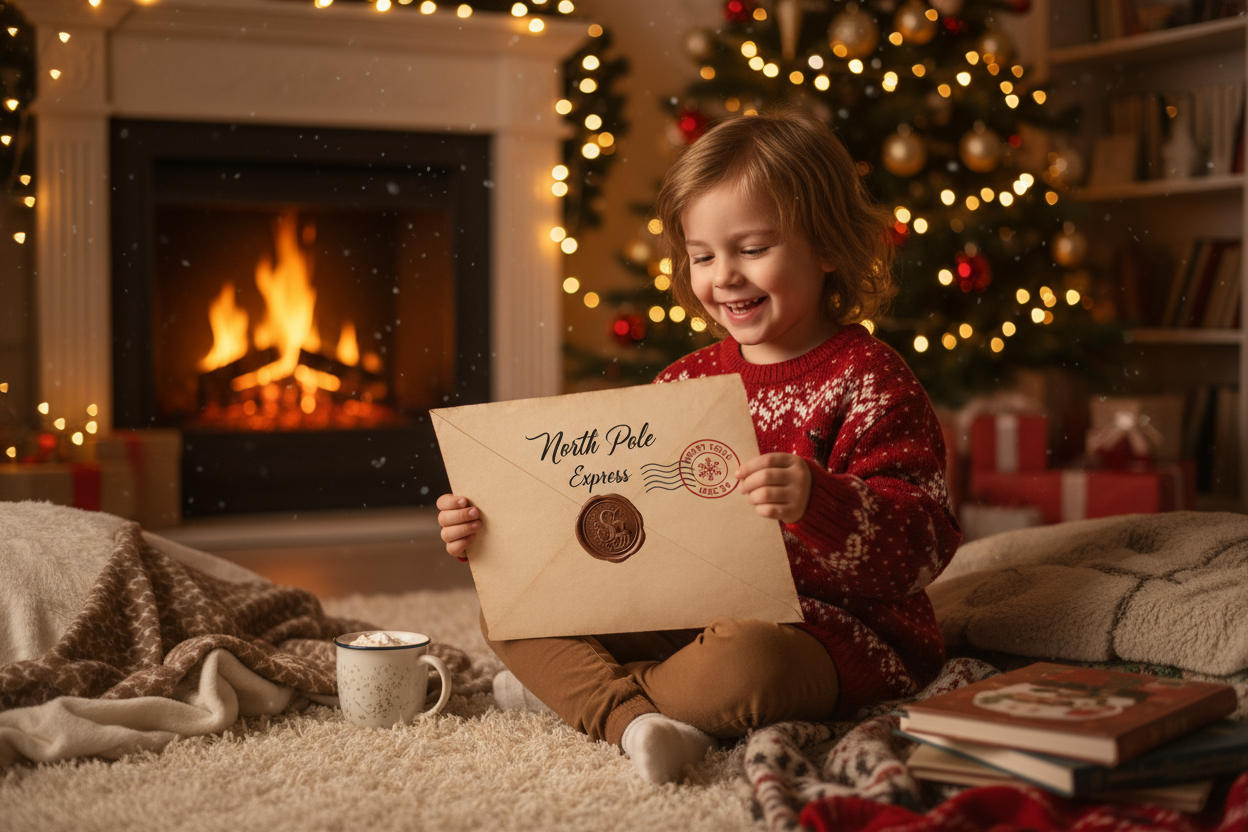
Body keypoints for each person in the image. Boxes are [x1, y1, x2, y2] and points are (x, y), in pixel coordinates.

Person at [437, 106, 961, 785]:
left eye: (752, 249)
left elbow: (925, 545)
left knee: (746, 665)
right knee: (510, 604)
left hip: (827, 634)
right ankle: (637, 722)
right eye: (704, 255)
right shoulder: (686, 379)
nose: (725, 277)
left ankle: (587, 698)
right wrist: (497, 531)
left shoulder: (869, 377)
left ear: (827, 245)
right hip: (683, 614)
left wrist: (820, 501)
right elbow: (617, 525)